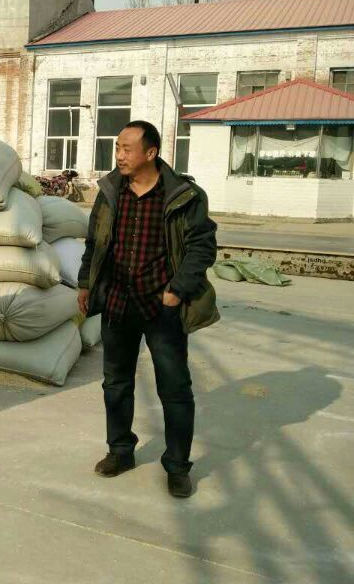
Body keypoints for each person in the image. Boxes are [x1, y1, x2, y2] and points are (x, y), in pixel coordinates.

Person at [77, 121, 219, 498]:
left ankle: (177, 466)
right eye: (117, 148)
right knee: (116, 384)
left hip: (162, 308)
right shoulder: (111, 191)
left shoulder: (184, 195)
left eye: (127, 148)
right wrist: (86, 282)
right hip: (118, 303)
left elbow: (202, 247)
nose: (119, 155)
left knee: (174, 389)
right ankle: (120, 451)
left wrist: (177, 290)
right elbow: (94, 242)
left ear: (150, 152)